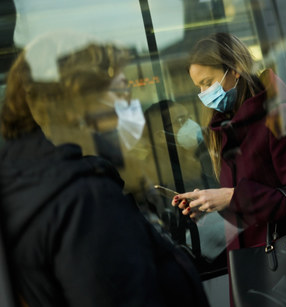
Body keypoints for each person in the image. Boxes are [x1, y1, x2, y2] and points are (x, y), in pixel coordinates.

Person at [0, 34, 209, 307]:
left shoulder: (33, 186)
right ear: (73, 104)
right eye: (115, 85)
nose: (128, 95)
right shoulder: (86, 202)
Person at [171, 32, 286, 300]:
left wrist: (232, 196)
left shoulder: (280, 118)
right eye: (198, 87)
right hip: (252, 269)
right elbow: (248, 207)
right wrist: (209, 206)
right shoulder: (225, 128)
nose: (203, 94)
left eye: (207, 82)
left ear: (234, 71)